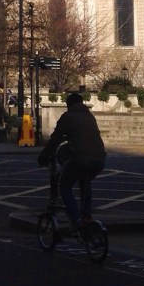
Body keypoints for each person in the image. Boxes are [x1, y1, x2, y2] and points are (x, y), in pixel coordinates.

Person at [37, 92, 106, 231]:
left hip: (80, 158)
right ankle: (87, 216)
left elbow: (55, 139)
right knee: (85, 183)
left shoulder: (68, 117)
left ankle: (76, 220)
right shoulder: (89, 117)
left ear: (69, 105)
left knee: (65, 186)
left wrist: (44, 155)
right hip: (99, 158)